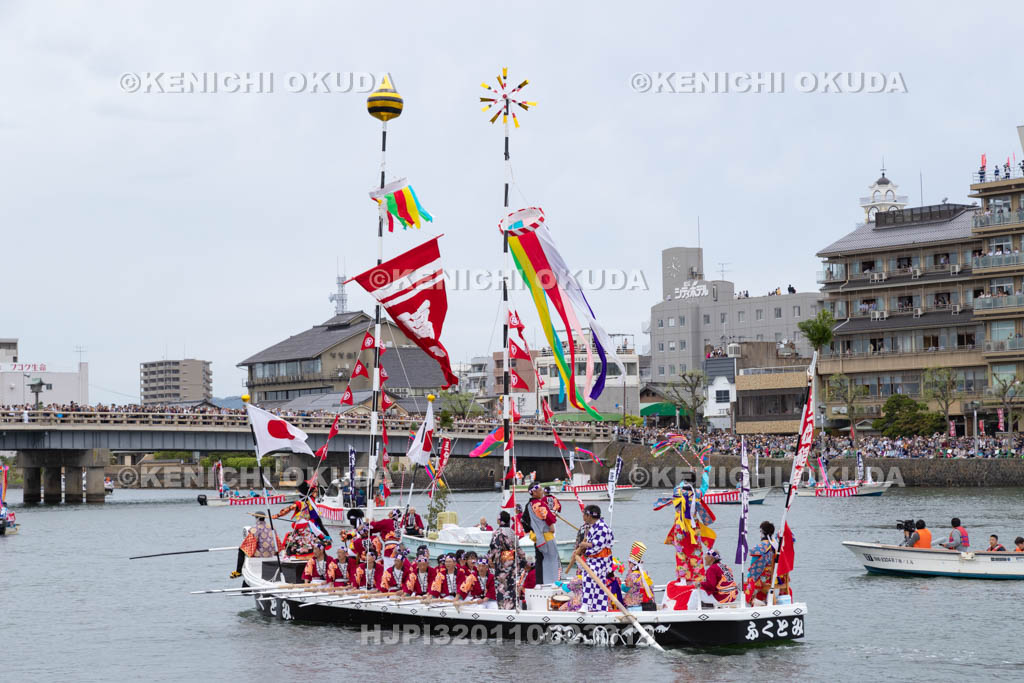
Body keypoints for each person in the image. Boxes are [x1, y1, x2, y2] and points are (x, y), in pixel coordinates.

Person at [576, 504, 614, 612]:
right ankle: (598, 608)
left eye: (584, 514)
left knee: (589, 579)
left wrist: (583, 545)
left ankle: (586, 605)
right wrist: (580, 549)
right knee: (596, 583)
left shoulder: (602, 527)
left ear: (589, 516)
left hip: (600, 560)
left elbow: (596, 545)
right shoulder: (595, 526)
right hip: (594, 559)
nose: (583, 516)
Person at [488, 510, 528, 609]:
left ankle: (502, 608)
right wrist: (524, 561)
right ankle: (512, 606)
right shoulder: (512, 532)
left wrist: (490, 559)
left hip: (502, 562)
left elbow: (495, 548)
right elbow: (518, 548)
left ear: (499, 520)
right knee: (511, 585)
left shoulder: (497, 532)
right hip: (513, 562)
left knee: (501, 585)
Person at [230, 511, 283, 579]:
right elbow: (277, 540)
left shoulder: (255, 528)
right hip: (272, 552)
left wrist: (245, 549)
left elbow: (249, 543)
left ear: (257, 518)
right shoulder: (272, 527)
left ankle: (238, 571)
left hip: (261, 553)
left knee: (241, 550)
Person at [525, 483, 559, 584]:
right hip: (546, 535)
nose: (542, 492)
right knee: (551, 558)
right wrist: (551, 525)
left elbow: (524, 522)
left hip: (537, 537)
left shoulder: (528, 506)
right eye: (540, 490)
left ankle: (540, 582)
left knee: (540, 560)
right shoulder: (539, 504)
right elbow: (548, 516)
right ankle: (551, 582)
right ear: (534, 492)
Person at [622, 541, 656, 612]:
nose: (628, 564)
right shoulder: (645, 573)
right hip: (649, 603)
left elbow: (626, 588)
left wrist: (620, 585)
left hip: (636, 605)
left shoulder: (631, 576)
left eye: (629, 562)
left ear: (632, 564)